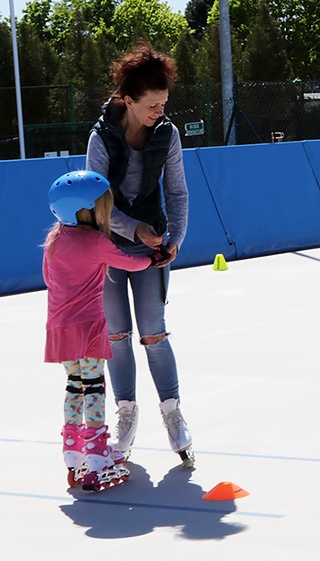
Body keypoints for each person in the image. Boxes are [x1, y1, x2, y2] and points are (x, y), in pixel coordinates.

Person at [86, 44, 194, 467]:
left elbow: (178, 192)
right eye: (151, 105)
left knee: (153, 331)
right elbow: (97, 199)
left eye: (164, 103)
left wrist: (175, 238)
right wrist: (133, 229)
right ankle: (126, 413)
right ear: (128, 100)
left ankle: (172, 412)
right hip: (108, 246)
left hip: (151, 250)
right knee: (116, 334)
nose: (159, 112)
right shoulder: (101, 136)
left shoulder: (167, 134)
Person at [44, 171, 159, 491]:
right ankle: (95, 455)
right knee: (94, 387)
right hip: (89, 327)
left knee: (75, 386)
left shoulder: (54, 239)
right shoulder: (95, 241)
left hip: (59, 326)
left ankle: (72, 450)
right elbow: (129, 263)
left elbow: (48, 278)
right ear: (88, 209)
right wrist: (152, 259)